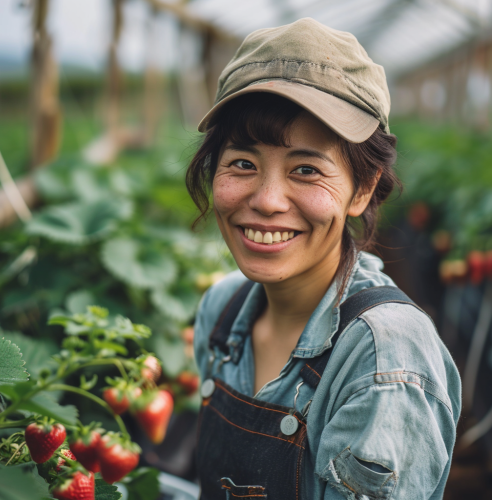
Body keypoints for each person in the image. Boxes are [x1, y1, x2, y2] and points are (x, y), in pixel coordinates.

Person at [186, 18, 461, 500]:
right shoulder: (222, 309)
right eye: (243, 163)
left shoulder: (383, 360)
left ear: (364, 188)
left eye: (307, 169)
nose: (268, 199)